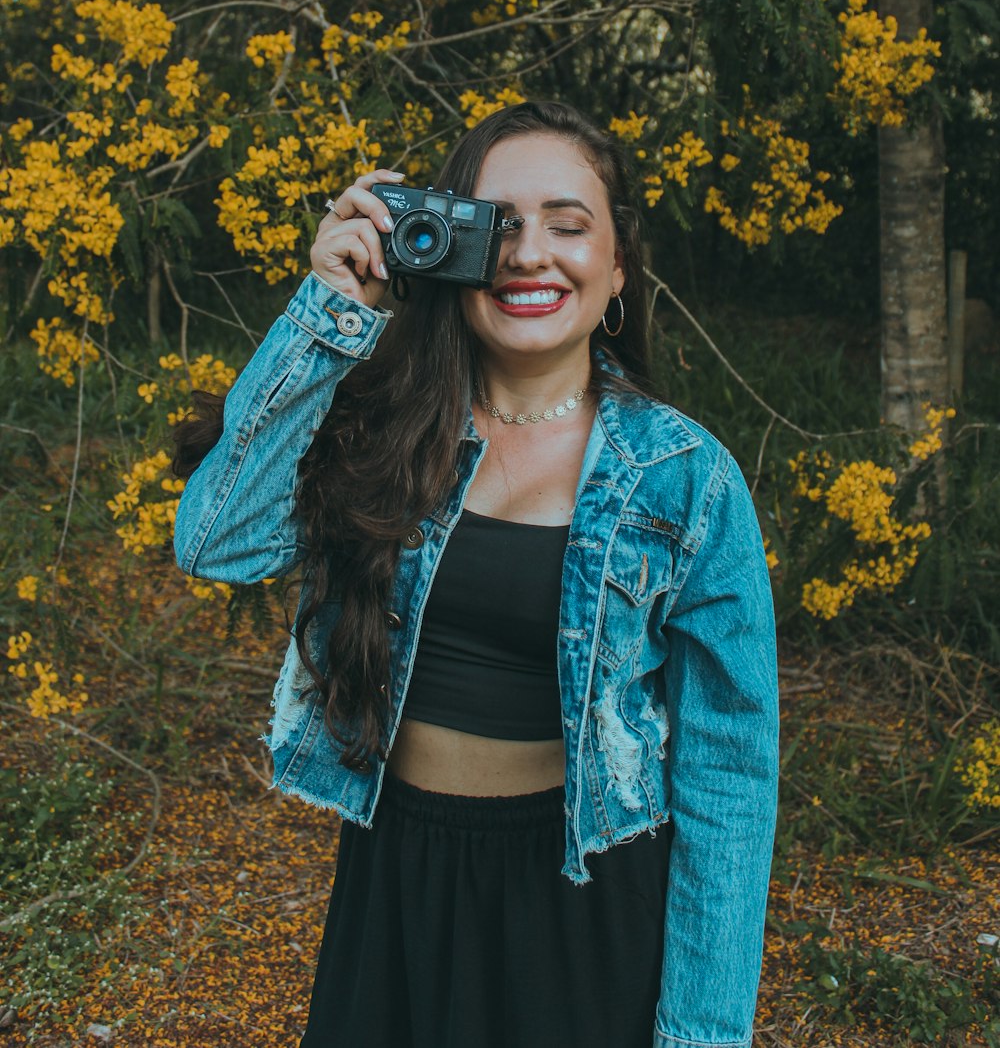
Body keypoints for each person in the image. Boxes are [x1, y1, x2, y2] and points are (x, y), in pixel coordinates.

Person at [173, 99, 779, 1048]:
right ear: (441, 251)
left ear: (617, 269)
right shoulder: (376, 424)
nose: (530, 253)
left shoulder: (686, 477)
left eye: (569, 227)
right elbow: (218, 540)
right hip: (396, 880)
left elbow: (729, 773)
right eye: (496, 226)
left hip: (584, 903)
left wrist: (703, 1031)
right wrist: (332, 311)